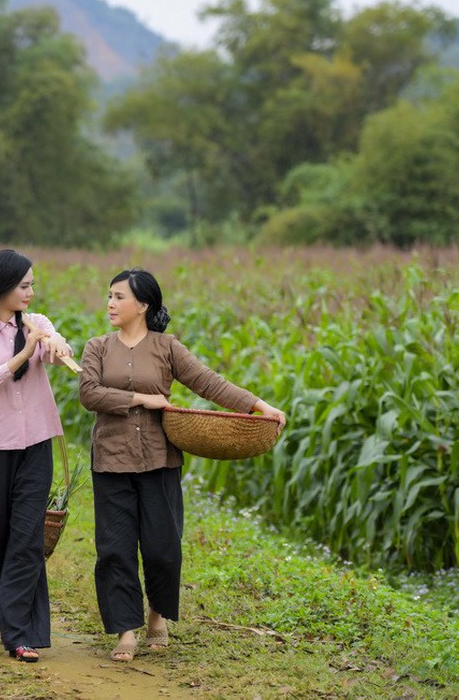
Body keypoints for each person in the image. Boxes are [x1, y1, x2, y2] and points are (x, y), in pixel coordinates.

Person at [78, 268, 285, 662]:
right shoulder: (97, 346)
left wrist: (259, 405)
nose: (110, 303)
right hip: (111, 461)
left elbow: (209, 382)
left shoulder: (167, 347)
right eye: (109, 296)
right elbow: (89, 394)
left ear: (143, 304)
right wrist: (142, 398)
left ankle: (157, 614)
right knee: (115, 550)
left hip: (160, 460)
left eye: (119, 297)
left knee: (163, 548)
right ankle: (126, 631)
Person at [0, 248, 75, 663]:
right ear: (3, 286)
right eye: (24, 286)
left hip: (36, 444)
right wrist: (23, 354)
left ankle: (20, 632)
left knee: (26, 539)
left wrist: (57, 345)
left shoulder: (37, 324)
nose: (31, 293)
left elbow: (57, 344)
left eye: (33, 285)